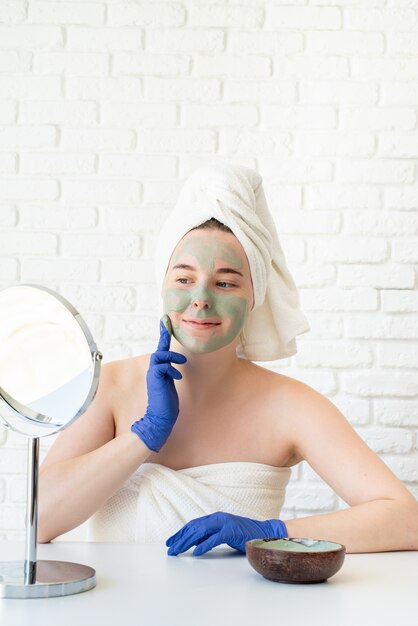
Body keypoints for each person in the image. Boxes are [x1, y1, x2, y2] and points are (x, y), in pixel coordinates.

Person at [38, 165, 418, 556]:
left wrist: (269, 532)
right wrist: (145, 434)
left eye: (225, 282)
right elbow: (40, 520)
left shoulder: (292, 406)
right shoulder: (111, 387)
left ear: (254, 296)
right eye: (184, 279)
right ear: (162, 285)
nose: (201, 298)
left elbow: (406, 522)